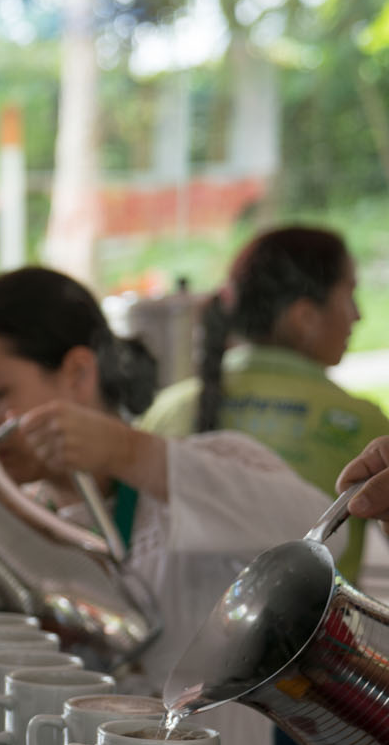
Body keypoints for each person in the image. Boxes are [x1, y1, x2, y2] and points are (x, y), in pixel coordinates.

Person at [0, 266, 329, 745]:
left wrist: (128, 452)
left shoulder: (208, 468)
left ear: (78, 373)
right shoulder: (19, 523)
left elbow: (319, 538)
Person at [140, 226, 387, 580]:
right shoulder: (364, 427)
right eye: (349, 295)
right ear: (305, 317)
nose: (358, 315)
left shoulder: (165, 412)